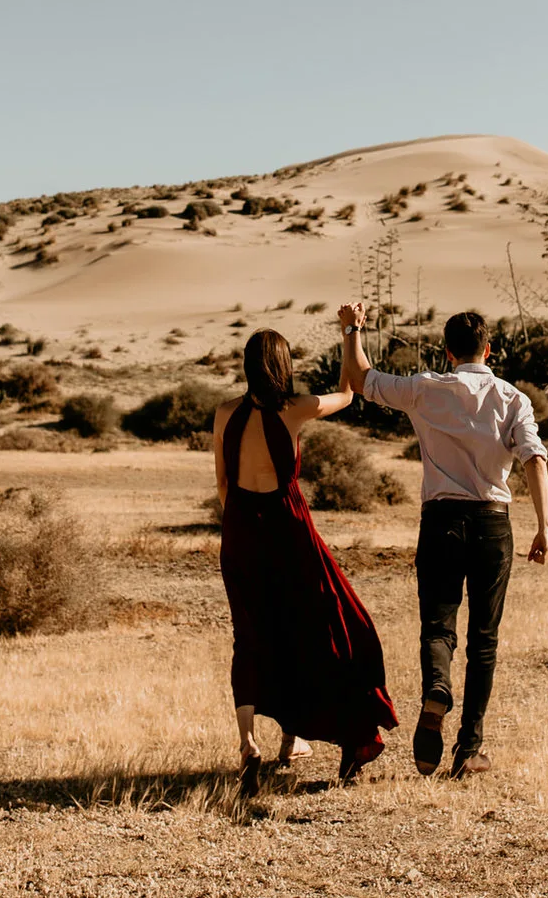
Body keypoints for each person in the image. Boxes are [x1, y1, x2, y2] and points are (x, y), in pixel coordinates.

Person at [340, 305, 548, 779]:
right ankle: (468, 749)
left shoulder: (424, 388)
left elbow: (361, 379)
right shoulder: (512, 398)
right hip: (493, 524)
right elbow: (535, 460)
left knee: (438, 626)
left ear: (448, 351)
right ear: (489, 350)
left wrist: (353, 329)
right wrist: (545, 527)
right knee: (484, 640)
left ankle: (437, 686)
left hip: (440, 521)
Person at [213, 326, 398, 788]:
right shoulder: (294, 410)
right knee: (323, 622)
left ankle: (250, 741)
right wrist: (349, 333)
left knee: (250, 634)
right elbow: (346, 395)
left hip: (239, 528)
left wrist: (240, 525)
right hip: (287, 528)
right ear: (283, 365)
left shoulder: (224, 413)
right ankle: (320, 733)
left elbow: (221, 484)